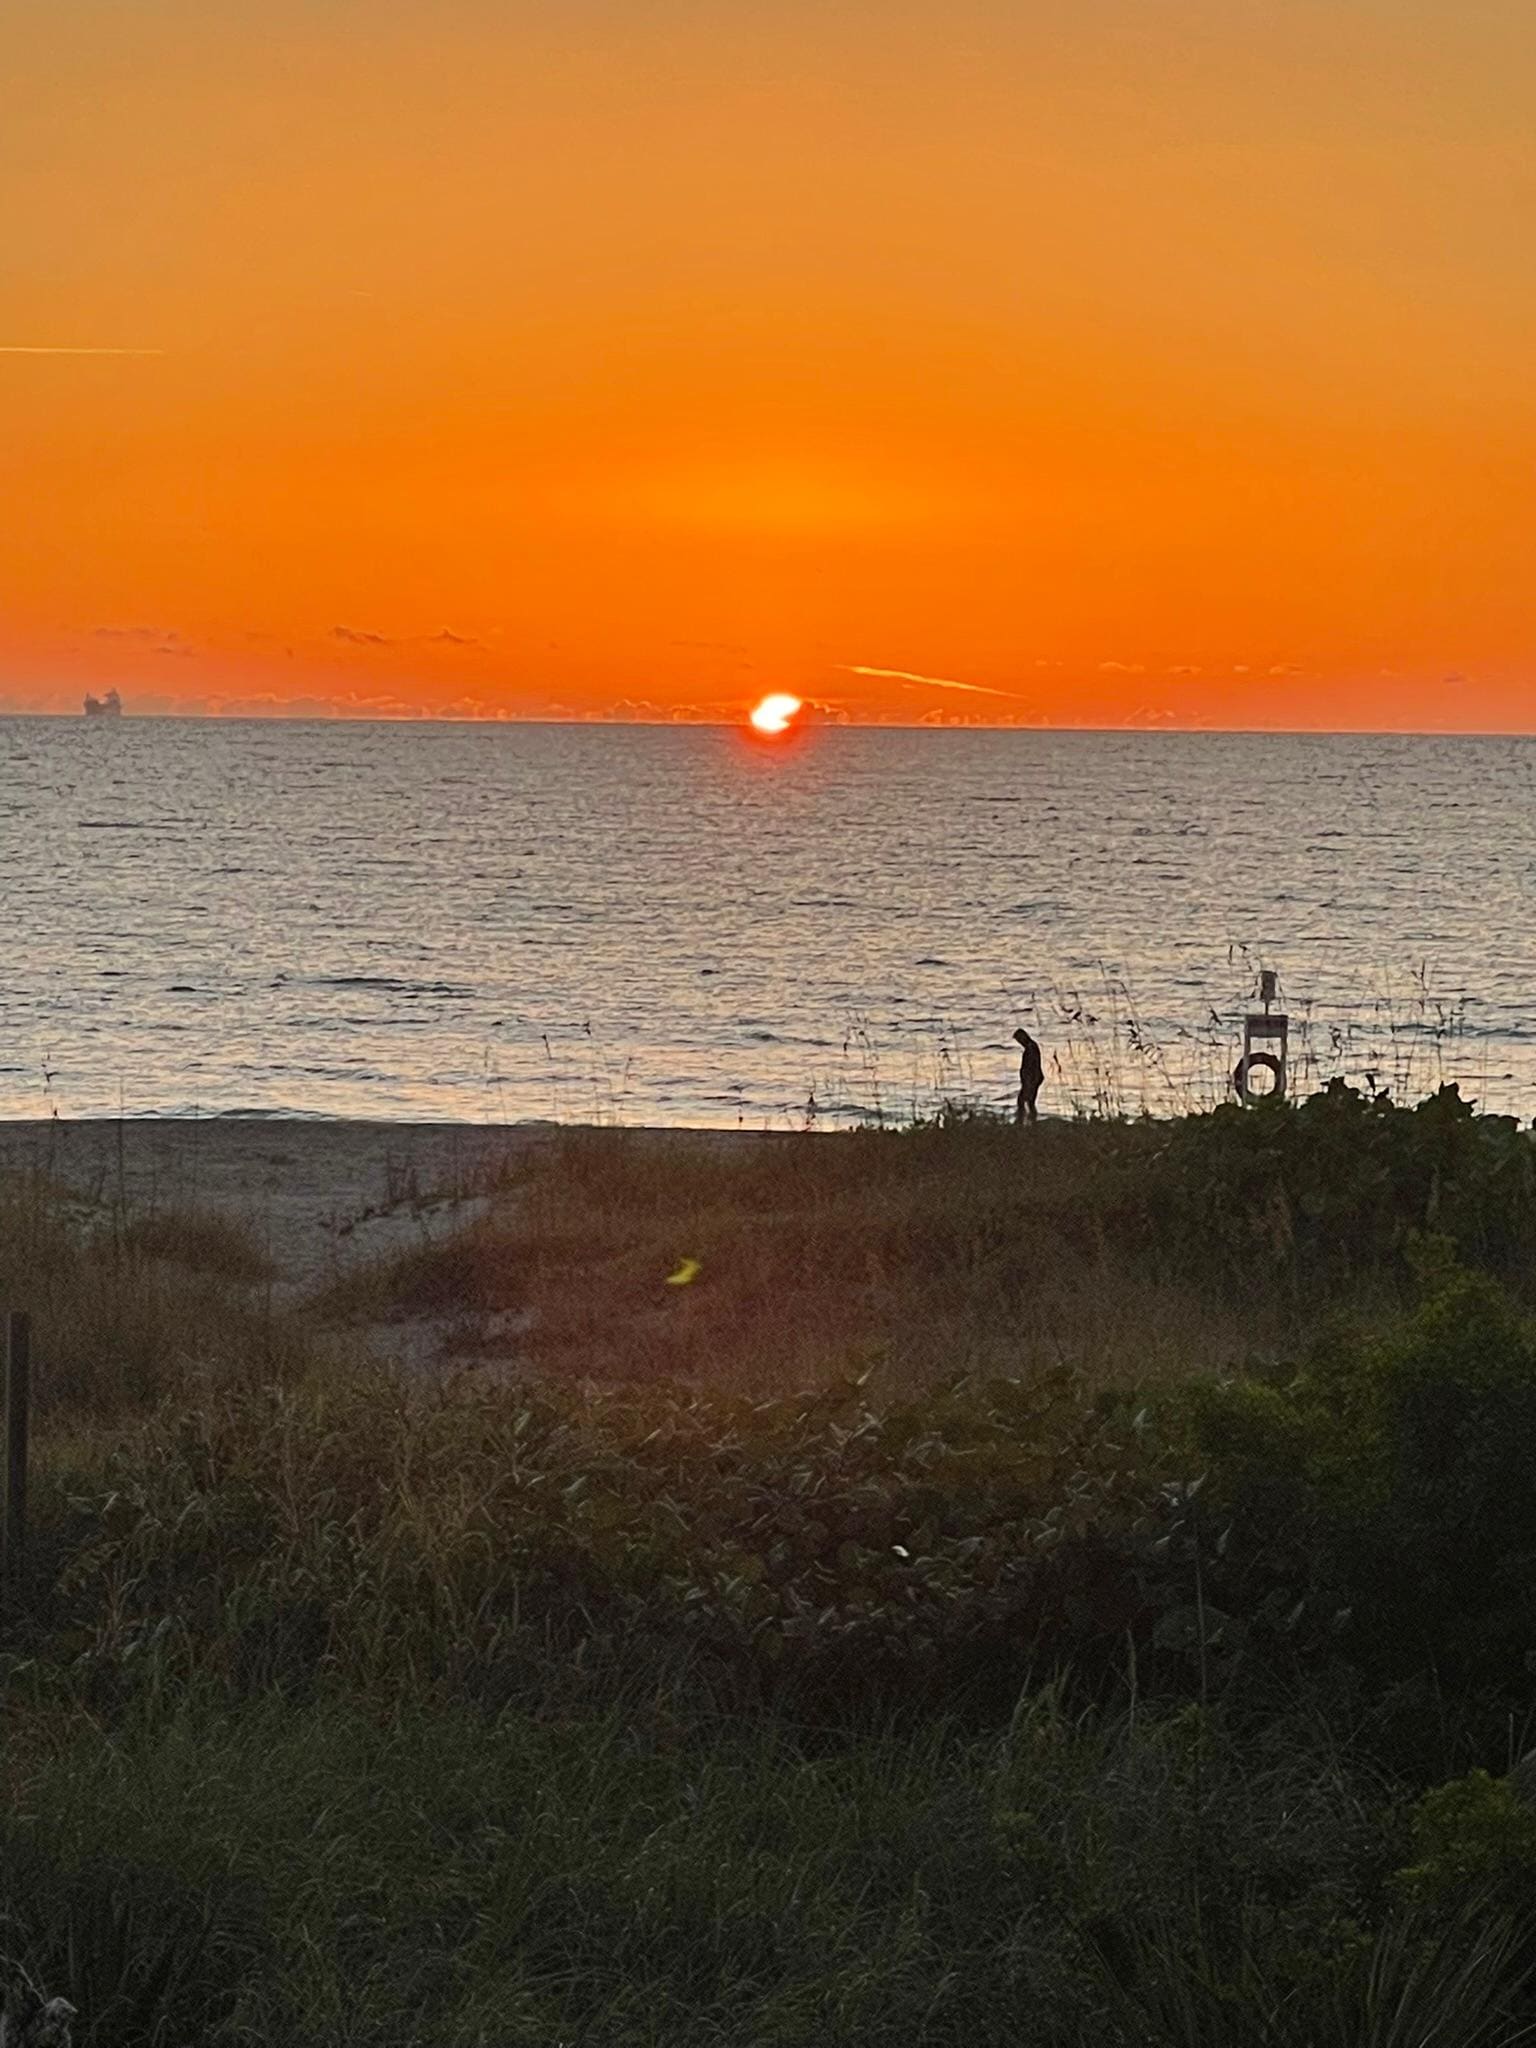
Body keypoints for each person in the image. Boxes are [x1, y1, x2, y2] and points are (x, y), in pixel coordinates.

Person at [1013, 1026, 1043, 1125]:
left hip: (1031, 1079)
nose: (1019, 1042)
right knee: (1028, 1101)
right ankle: (1030, 1119)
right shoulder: (1032, 1046)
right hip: (1032, 1078)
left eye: (1019, 1039)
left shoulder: (1030, 1048)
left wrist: (1027, 1080)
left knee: (1023, 1100)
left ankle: (1022, 1120)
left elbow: (1030, 1066)